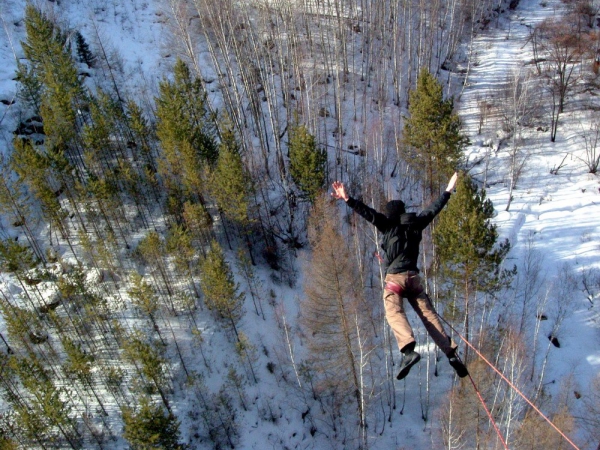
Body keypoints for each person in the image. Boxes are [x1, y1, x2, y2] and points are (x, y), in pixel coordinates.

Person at [331, 173, 468, 380]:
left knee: (393, 311)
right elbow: (434, 209)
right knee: (429, 316)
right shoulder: (416, 225)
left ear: (390, 215)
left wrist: (347, 199)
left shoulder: (387, 225)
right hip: (414, 280)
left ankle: (408, 350)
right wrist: (447, 191)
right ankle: (451, 353)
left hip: (395, 280)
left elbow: (368, 213)